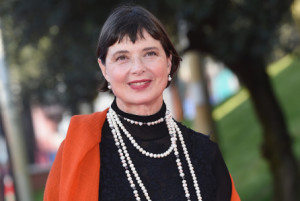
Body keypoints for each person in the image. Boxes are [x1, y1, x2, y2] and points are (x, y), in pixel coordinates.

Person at [44, 5, 240, 201]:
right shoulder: (79, 149)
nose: (138, 68)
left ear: (168, 61)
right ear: (104, 69)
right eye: (122, 57)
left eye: (150, 54)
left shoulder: (204, 153)